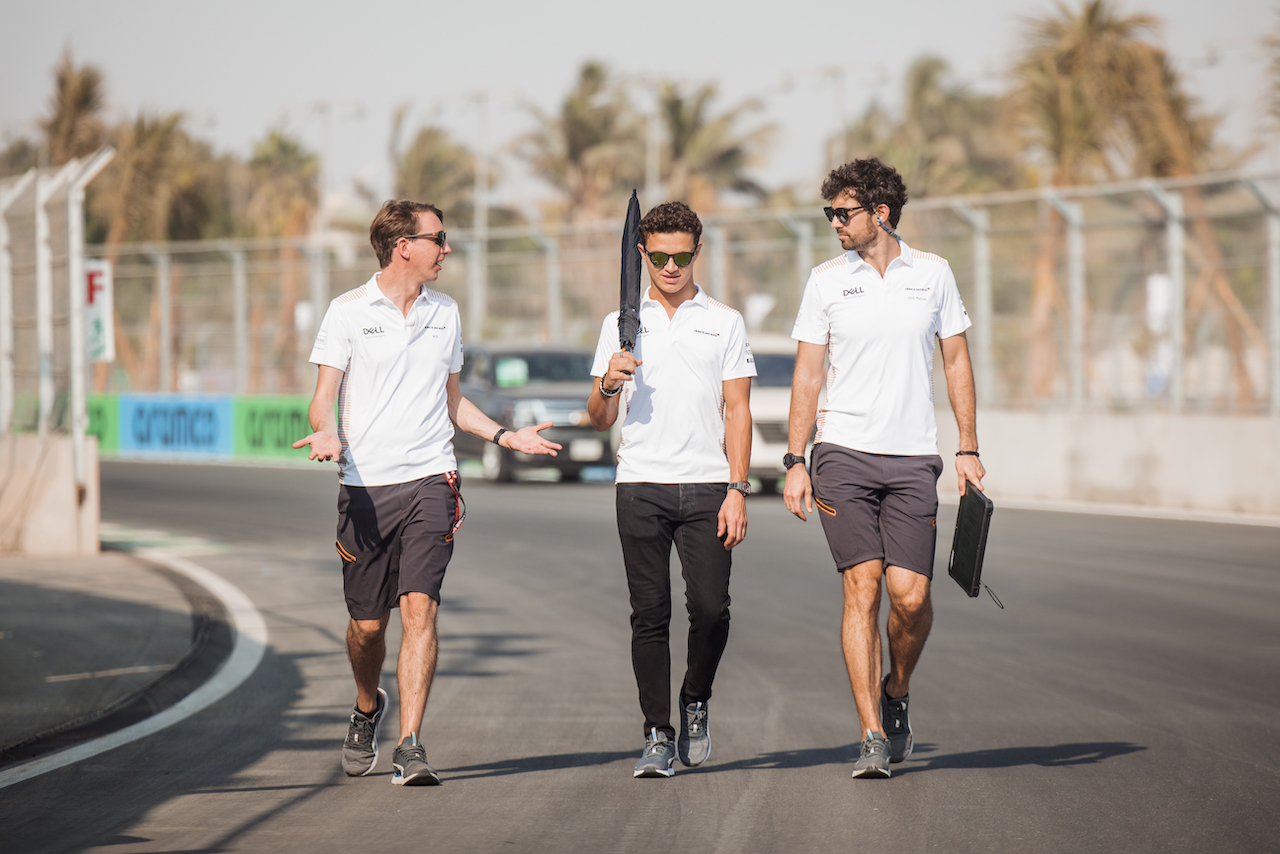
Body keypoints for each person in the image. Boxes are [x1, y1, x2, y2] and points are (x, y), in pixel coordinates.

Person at [293, 199, 561, 786]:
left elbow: (452, 400)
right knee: (367, 626)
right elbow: (323, 396)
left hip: (431, 480)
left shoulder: (447, 312)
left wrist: (504, 434)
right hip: (365, 487)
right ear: (402, 246)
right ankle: (368, 706)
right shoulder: (346, 312)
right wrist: (326, 431)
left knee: (422, 611)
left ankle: (410, 744)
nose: (446, 248)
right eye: (438, 238)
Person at [782, 158, 986, 779]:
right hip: (841, 452)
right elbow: (809, 373)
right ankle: (871, 733)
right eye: (830, 214)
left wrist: (968, 447)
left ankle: (896, 690)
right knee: (862, 588)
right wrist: (795, 459)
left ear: (882, 214)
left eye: (843, 214)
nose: (834, 224)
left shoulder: (934, 275)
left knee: (911, 596)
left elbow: (955, 362)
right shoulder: (825, 281)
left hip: (911, 458)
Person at [588, 201, 756, 778]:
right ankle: (657, 733)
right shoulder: (620, 324)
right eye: (658, 256)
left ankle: (695, 697)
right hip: (640, 485)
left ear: (696, 253)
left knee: (711, 610)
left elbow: (738, 411)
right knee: (649, 613)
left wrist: (738, 487)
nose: (670, 266)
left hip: (709, 485)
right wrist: (607, 383)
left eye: (681, 256)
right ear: (642, 254)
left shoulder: (725, 321)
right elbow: (598, 419)